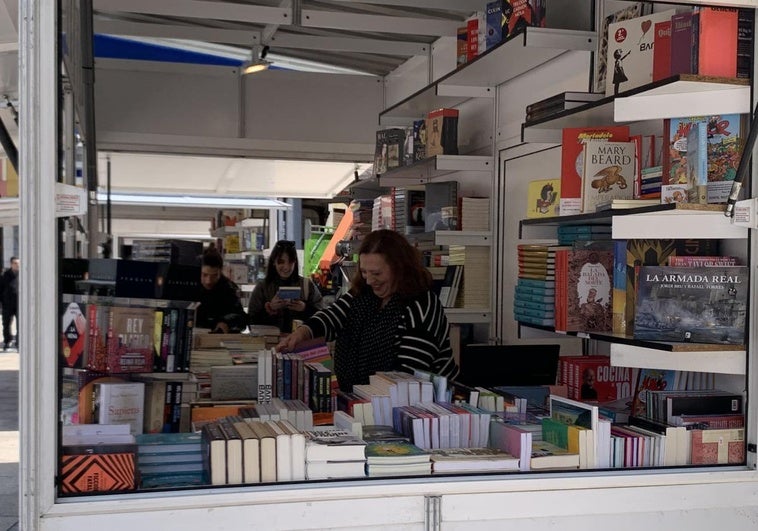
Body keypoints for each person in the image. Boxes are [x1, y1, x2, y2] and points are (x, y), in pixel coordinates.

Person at [278, 229, 458, 392]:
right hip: (365, 400)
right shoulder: (363, 294)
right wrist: (302, 333)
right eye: (364, 272)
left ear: (400, 268)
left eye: (377, 273)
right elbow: (333, 316)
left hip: (419, 410)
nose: (370, 280)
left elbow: (406, 376)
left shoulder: (421, 306)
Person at [247, 240, 324, 333]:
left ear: (295, 262)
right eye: (281, 262)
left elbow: (323, 318)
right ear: (274, 262)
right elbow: (251, 323)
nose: (286, 267)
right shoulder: (262, 287)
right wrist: (270, 308)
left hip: (301, 344)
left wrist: (305, 308)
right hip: (269, 343)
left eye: (290, 262)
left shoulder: (307, 285)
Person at [195, 247, 246, 333]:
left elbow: (241, 318)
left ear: (221, 271)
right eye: (204, 275)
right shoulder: (190, 286)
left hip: (220, 337)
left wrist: (226, 322)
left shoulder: (229, 288)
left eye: (214, 275)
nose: (208, 281)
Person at [0, 256, 18, 350]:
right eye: (15, 263)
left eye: (18, 263)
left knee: (21, 324)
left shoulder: (22, 274)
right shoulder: (5, 275)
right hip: (7, 304)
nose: (17, 265)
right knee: (6, 324)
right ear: (11, 264)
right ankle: (7, 341)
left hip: (19, 304)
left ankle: (19, 342)